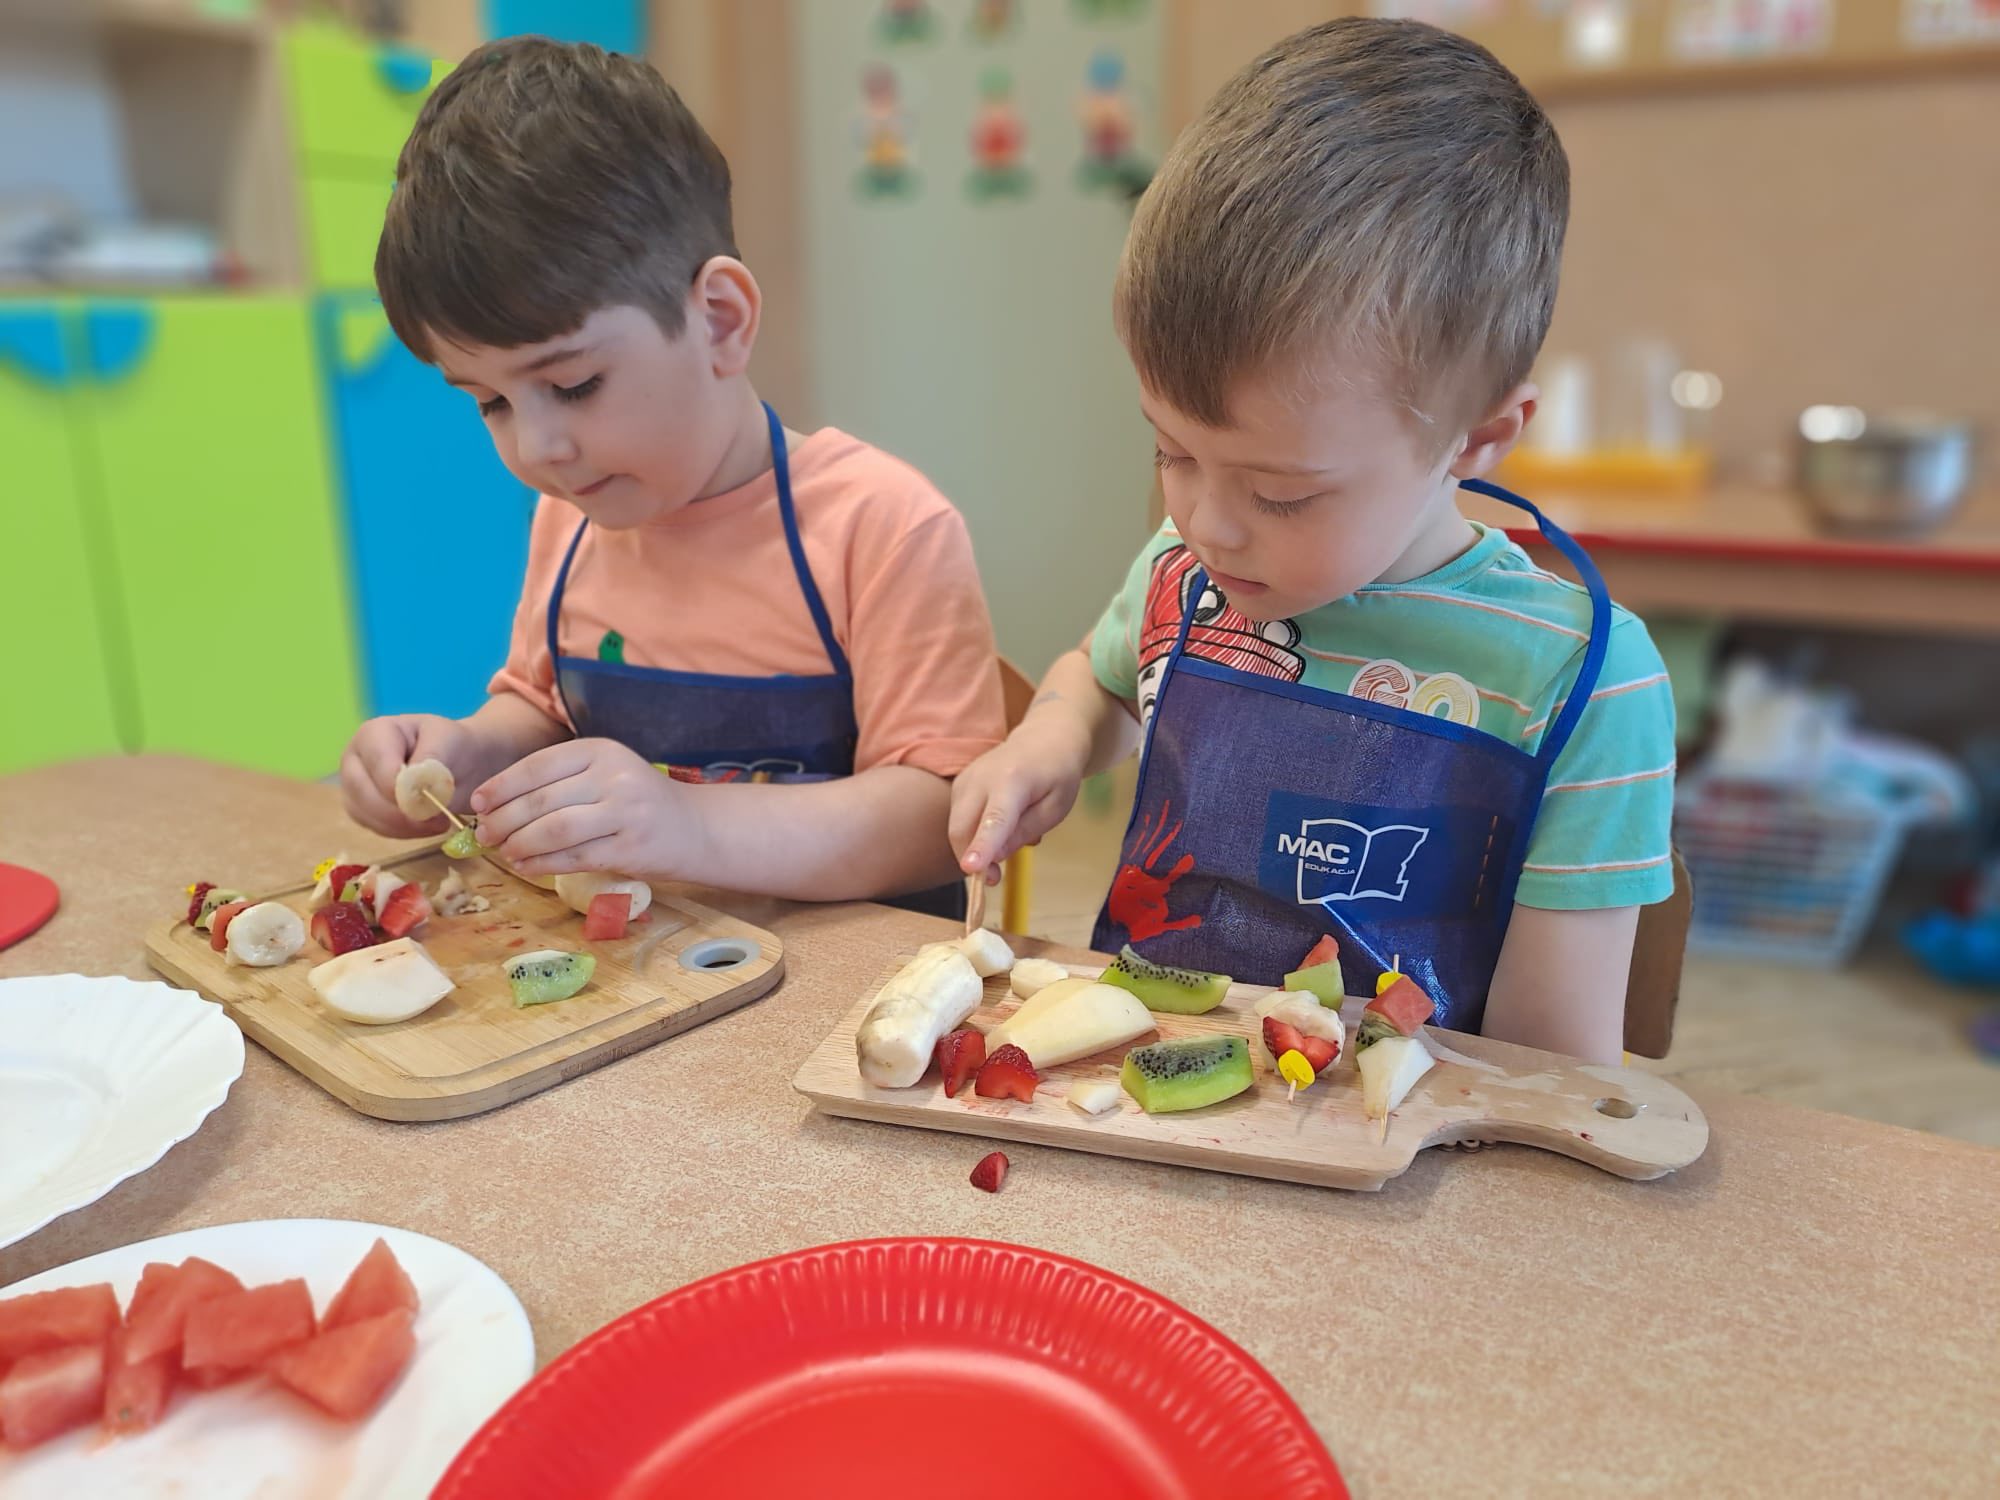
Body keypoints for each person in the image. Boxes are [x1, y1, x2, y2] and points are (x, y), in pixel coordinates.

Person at [950, 19, 1676, 1060]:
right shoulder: (1184, 574)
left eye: (1281, 494)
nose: (1204, 524)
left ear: (1477, 439)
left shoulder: (1580, 684)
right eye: (1170, 451)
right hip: (1151, 1088)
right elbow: (1105, 680)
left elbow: (1549, 1067)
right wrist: (1050, 742)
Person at [341, 39, 1005, 911]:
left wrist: (688, 824)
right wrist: (467, 756)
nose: (536, 449)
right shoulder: (572, 517)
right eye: (490, 402)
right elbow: (543, 709)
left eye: (573, 384)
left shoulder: (880, 526)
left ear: (721, 320)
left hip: (850, 979)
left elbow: (938, 818)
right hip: (641, 965)